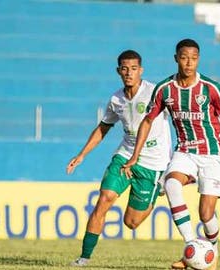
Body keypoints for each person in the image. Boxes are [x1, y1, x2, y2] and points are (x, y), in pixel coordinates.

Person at [122, 39, 220, 270]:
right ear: (176, 58)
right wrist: (135, 156)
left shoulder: (210, 87)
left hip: (212, 153)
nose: (189, 63)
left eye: (193, 58)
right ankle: (192, 248)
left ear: (198, 59)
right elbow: (147, 120)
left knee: (206, 214)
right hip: (184, 150)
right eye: (184, 57)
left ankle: (211, 252)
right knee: (171, 183)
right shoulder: (165, 89)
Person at [66, 50, 172, 267]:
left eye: (133, 68)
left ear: (141, 70)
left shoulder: (155, 93)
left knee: (131, 223)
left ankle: (160, 186)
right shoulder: (116, 99)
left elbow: (178, 117)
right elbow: (103, 128)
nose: (129, 73)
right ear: (118, 71)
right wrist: (81, 155)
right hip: (125, 156)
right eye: (124, 69)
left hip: (153, 162)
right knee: (104, 198)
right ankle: (83, 258)